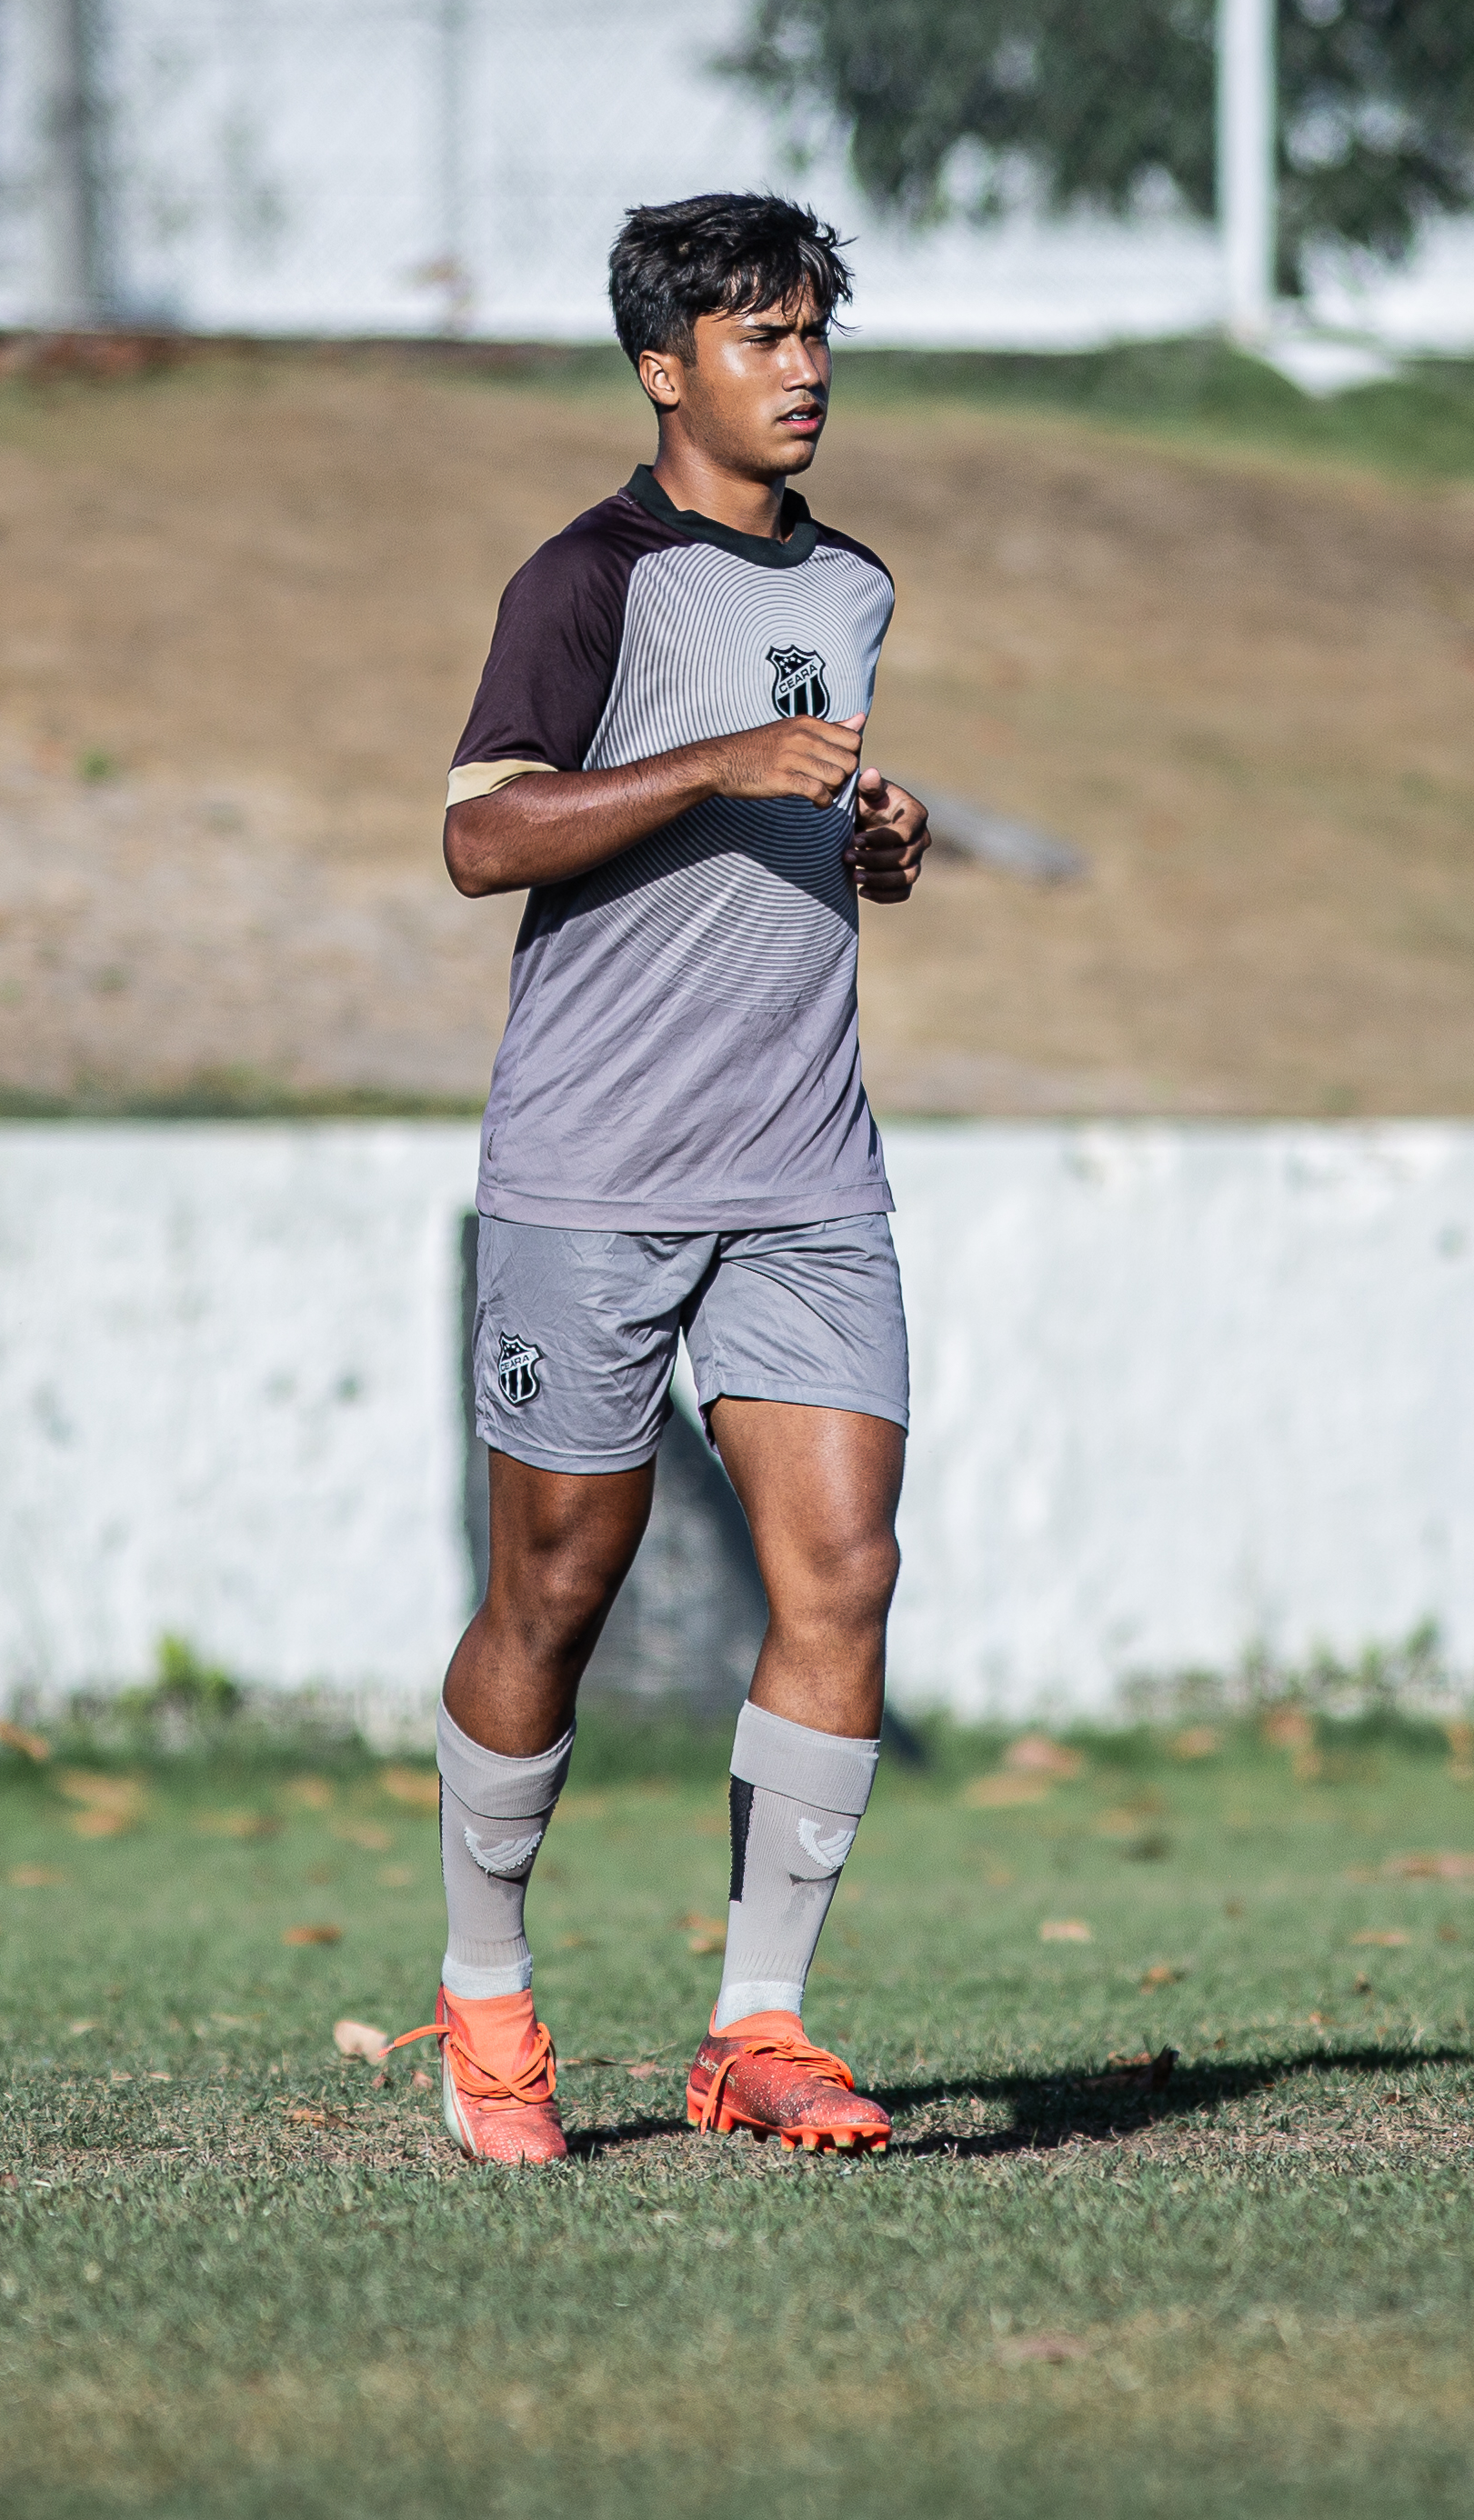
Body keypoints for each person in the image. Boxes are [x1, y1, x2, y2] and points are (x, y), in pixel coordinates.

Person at [388, 192, 931, 2165]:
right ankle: (484, 1995)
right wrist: (715, 761)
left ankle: (757, 2026)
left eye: (812, 336)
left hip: (803, 1166)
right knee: (556, 1587)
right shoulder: (582, 580)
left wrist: (868, 839)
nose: (800, 372)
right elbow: (480, 837)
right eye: (761, 338)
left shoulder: (858, 583)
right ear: (661, 366)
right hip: (594, 1169)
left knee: (844, 1569)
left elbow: (783, 829)